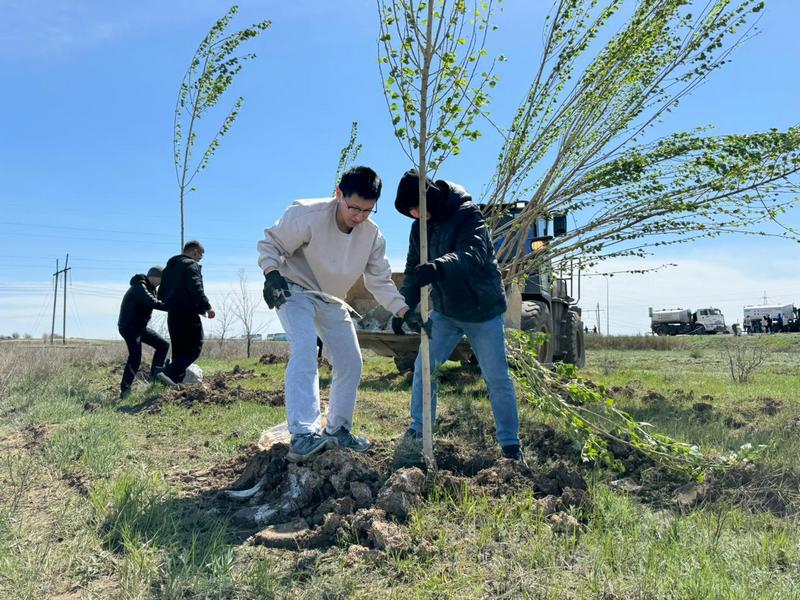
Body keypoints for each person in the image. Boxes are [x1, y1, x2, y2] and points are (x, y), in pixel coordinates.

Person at [257, 166, 421, 462]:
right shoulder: (307, 214)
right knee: (306, 348)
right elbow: (272, 244)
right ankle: (304, 433)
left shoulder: (371, 236)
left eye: (368, 211)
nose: (359, 217)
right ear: (338, 194)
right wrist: (271, 275)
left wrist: (402, 310)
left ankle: (338, 429)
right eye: (353, 208)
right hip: (294, 290)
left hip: (332, 299)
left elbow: (379, 280)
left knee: (351, 361)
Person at [393, 169, 523, 462]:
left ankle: (510, 444)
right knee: (425, 368)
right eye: (408, 212)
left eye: (415, 207)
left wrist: (439, 267)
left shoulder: (467, 215)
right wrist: (403, 307)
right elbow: (414, 268)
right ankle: (419, 428)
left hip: (482, 311)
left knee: (497, 378)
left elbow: (474, 254)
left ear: (428, 198)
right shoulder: (420, 227)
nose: (414, 215)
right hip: (446, 312)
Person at [157, 240, 215, 385]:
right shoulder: (190, 265)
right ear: (194, 252)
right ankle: (167, 372)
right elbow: (195, 288)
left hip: (173, 315)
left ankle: (173, 383)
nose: (199, 259)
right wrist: (207, 307)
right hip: (188, 314)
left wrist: (171, 305)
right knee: (195, 347)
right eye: (200, 256)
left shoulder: (168, 269)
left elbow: (160, 294)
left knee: (179, 351)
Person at [117, 266, 169, 398]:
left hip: (140, 328)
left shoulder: (152, 288)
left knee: (163, 345)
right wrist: (173, 308)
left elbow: (162, 300)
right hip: (129, 327)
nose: (161, 283)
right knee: (135, 357)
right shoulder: (140, 287)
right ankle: (125, 390)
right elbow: (153, 302)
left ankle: (154, 378)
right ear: (155, 277)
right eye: (161, 280)